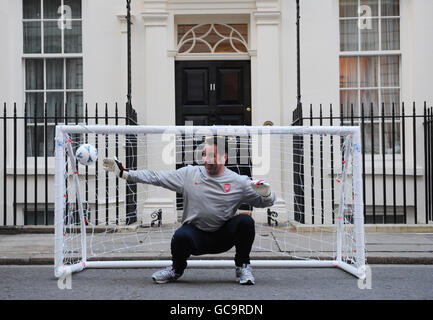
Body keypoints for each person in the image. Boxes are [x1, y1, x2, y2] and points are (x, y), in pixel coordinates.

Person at [103, 136, 275, 285]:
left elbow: (264, 202)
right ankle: (176, 269)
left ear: (224, 157)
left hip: (223, 236)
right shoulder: (189, 174)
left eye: (212, 155)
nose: (207, 160)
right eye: (204, 155)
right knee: (180, 235)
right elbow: (157, 177)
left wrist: (267, 194)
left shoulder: (239, 182)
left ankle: (243, 267)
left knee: (245, 222)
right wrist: (125, 174)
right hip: (195, 237)